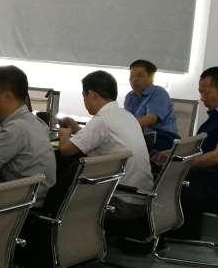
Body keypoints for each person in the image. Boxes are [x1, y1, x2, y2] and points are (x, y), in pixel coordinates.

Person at [56, 70, 153, 232]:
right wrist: (76, 128)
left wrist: (64, 135)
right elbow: (98, 139)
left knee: (60, 193)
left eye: (83, 95)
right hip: (141, 198)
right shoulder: (125, 115)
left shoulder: (102, 120)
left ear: (91, 94)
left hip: (119, 201)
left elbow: (65, 150)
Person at [0, 65, 56, 202]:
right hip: (33, 199)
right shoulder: (35, 122)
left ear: (7, 96)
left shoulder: (16, 129)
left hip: (19, 205)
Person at [174, 67, 218, 239]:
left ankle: (169, 239)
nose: (202, 97)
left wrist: (183, 162)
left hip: (212, 183)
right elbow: (198, 147)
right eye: (200, 92)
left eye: (205, 92)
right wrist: (171, 153)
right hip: (200, 177)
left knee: (163, 188)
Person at [123, 59, 179, 152]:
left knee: (126, 146)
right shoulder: (130, 97)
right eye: (131, 76)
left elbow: (150, 119)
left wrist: (123, 127)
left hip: (164, 137)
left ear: (151, 77)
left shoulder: (158, 92)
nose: (134, 80)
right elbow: (128, 120)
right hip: (141, 136)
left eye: (140, 76)